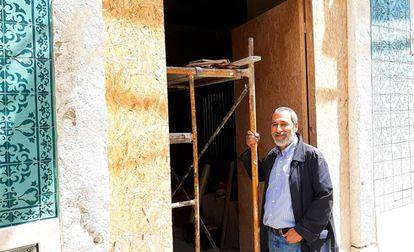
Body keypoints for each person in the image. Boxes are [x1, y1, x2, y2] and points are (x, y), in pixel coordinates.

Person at [240, 106, 337, 252]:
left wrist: (302, 230)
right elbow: (258, 175)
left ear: (295, 126)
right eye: (274, 125)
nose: (278, 129)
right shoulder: (273, 156)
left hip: (296, 241)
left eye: (284, 124)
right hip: (272, 239)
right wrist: (252, 149)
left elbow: (325, 197)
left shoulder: (312, 156)